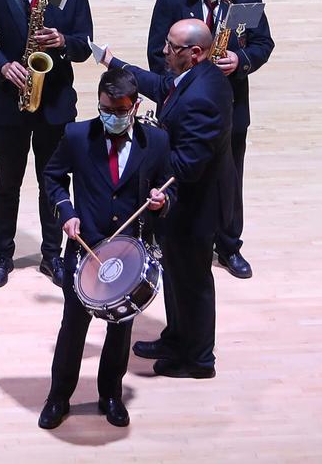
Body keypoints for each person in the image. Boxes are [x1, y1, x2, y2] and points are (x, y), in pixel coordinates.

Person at [36, 66, 173, 431]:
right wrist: (66, 213)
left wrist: (162, 199)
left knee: (120, 330)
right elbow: (53, 177)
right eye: (105, 110)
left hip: (129, 253)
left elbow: (168, 185)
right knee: (73, 328)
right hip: (86, 249)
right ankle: (58, 397)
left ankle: (110, 395)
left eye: (119, 110)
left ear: (136, 105)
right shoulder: (77, 135)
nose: (111, 117)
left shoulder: (156, 142)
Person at [102, 20, 233, 380]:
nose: (164, 52)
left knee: (193, 282)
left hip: (194, 207)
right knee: (177, 277)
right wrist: (114, 63)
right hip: (183, 206)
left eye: (172, 48)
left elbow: (187, 166)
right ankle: (177, 339)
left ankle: (199, 359)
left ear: (194, 53)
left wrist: (143, 144)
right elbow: (161, 86)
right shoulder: (194, 79)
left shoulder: (202, 98)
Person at [0, 0, 96, 289]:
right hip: (10, 104)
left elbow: (84, 43)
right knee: (7, 183)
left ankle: (51, 255)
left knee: (52, 183)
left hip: (55, 103)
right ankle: (2, 255)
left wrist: (63, 41)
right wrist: (2, 65)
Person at [150, 0, 273, 280]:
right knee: (180, 177)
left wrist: (242, 59)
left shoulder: (246, 0)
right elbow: (155, 54)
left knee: (230, 179)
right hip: (185, 111)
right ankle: (175, 242)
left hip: (230, 108)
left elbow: (264, 43)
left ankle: (230, 246)